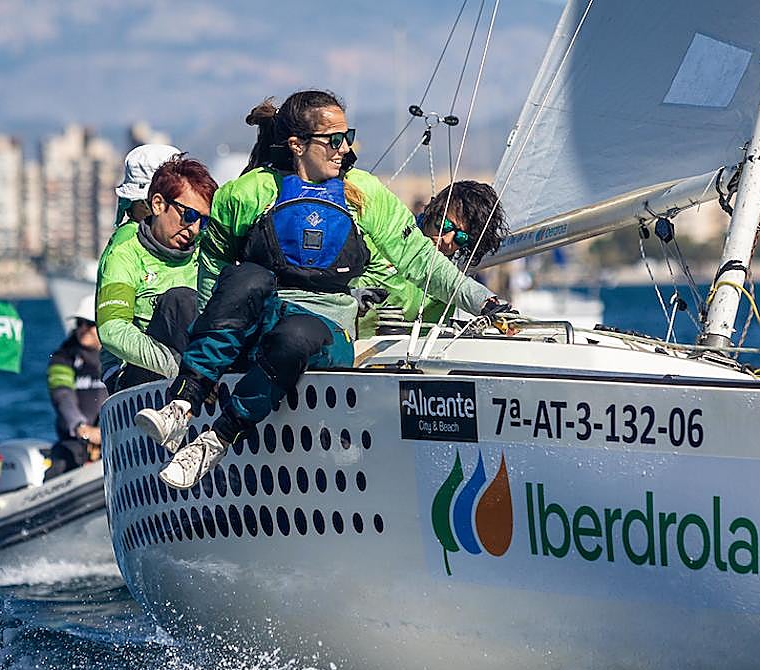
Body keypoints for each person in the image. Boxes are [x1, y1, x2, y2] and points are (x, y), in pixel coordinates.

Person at [136, 89, 514, 489]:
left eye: (347, 136)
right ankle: (183, 402)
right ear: (298, 145)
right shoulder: (248, 193)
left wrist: (484, 301)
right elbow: (213, 267)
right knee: (247, 278)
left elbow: (422, 260)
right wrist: (208, 357)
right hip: (263, 322)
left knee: (297, 334)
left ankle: (217, 439)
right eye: (334, 140)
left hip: (323, 333)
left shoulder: (364, 194)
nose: (345, 148)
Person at [96, 155, 219, 392]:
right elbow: (111, 330)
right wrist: (182, 368)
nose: (194, 229)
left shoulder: (205, 246)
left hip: (199, 370)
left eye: (202, 222)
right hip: (137, 377)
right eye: (189, 216)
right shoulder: (123, 251)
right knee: (179, 299)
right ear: (158, 204)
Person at [352, 180, 508, 324]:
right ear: (432, 209)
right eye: (445, 225)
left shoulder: (451, 279)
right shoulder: (389, 238)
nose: (447, 240)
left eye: (461, 238)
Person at [45, 295, 106, 480]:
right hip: (76, 442)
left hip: (114, 440)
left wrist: (105, 433)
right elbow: (62, 395)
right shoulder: (62, 359)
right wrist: (80, 427)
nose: (82, 329)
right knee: (60, 465)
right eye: (79, 323)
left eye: (89, 324)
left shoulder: (120, 357)